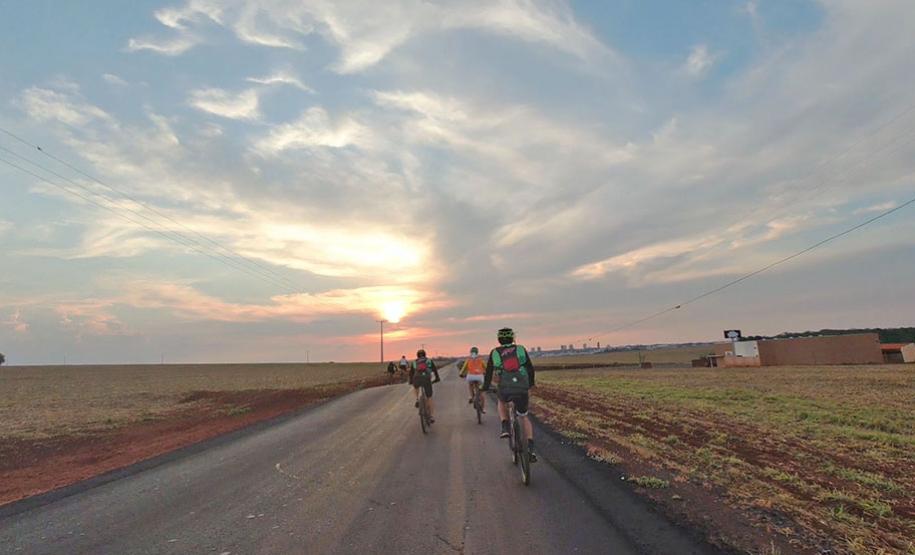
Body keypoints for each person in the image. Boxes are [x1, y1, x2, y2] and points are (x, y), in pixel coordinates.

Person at [482, 327, 537, 462]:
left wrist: (485, 387)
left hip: (505, 388)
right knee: (524, 417)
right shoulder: (520, 349)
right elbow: (530, 368)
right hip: (521, 387)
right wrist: (530, 385)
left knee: (501, 402)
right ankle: (530, 448)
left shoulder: (495, 352)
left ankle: (505, 426)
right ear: (513, 338)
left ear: (499, 339)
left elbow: (488, 372)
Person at [409, 349, 441, 422]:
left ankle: (417, 399)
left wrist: (411, 381)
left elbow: (411, 373)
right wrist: (437, 378)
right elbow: (435, 370)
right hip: (426, 379)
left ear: (417, 355)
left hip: (417, 379)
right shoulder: (429, 361)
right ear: (425, 354)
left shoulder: (414, 362)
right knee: (429, 397)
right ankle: (432, 416)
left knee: (415, 386)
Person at [459, 346, 486, 412]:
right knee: (482, 392)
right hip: (479, 376)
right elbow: (486, 367)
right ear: (477, 352)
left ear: (471, 352)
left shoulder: (468, 359)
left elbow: (464, 368)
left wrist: (461, 374)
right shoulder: (481, 359)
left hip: (471, 376)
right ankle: (483, 408)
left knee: (470, 384)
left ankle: (471, 396)